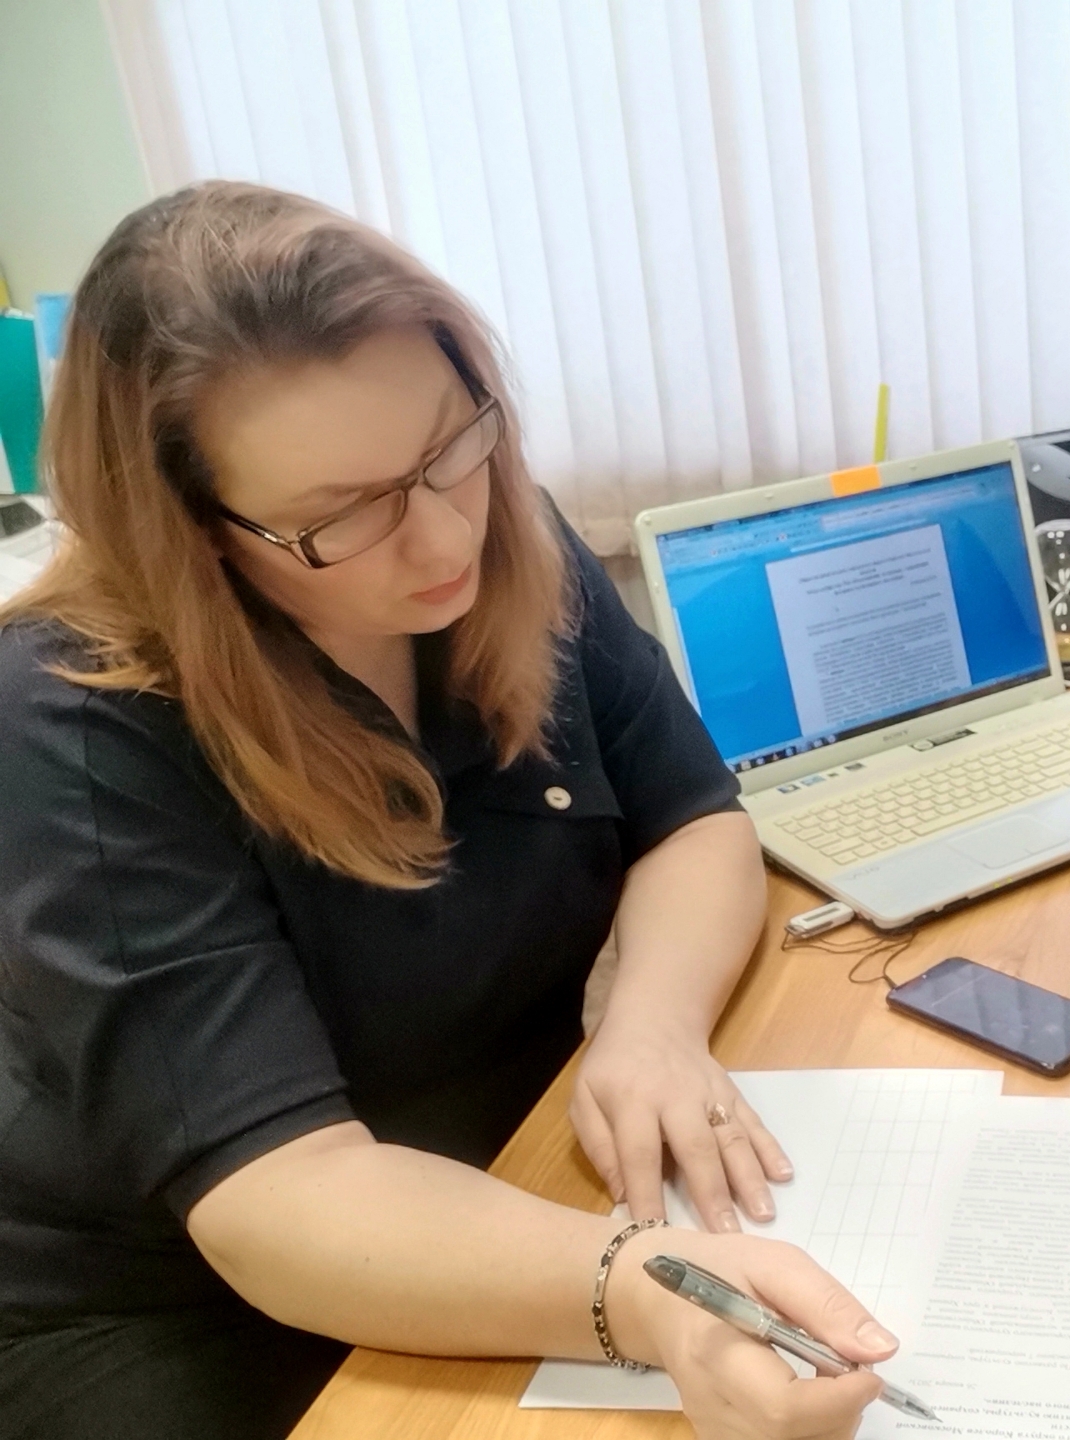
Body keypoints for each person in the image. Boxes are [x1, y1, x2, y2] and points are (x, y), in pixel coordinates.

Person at [0, 183, 895, 1440]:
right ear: (188, 532)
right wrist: (646, 1297)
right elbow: (279, 1197)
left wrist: (652, 1025)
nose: (439, 540)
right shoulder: (76, 724)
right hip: (187, 1292)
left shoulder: (505, 539)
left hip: (503, 1176)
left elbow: (695, 818)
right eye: (338, 514)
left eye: (449, 446)